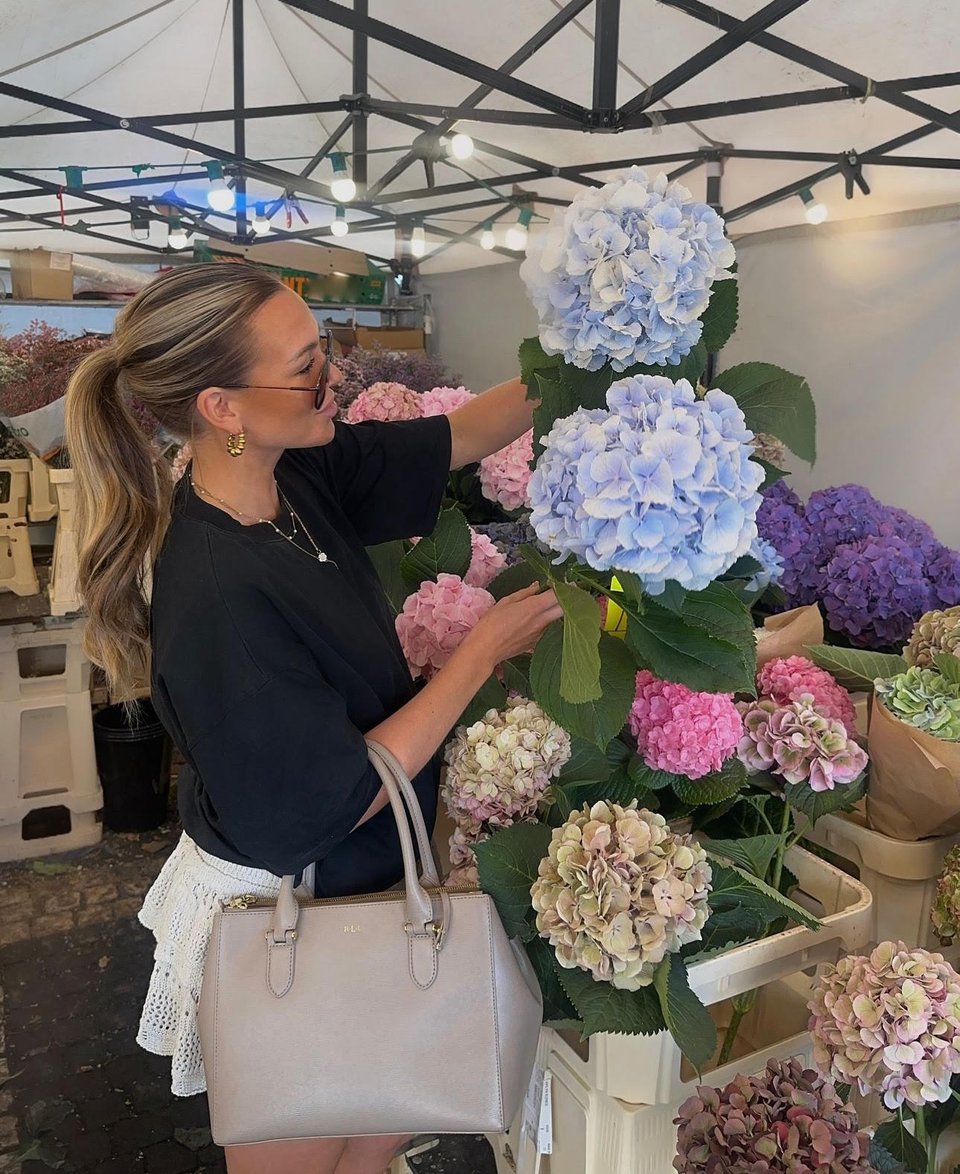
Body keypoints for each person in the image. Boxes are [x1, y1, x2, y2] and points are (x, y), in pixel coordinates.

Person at [65, 263, 562, 1174]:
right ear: (224, 409)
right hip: (282, 909)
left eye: (323, 346)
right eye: (304, 366)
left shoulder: (293, 475)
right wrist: (479, 654)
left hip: (360, 882)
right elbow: (334, 796)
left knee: (372, 1137)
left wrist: (592, 349)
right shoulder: (218, 592)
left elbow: (460, 434)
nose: (331, 376)